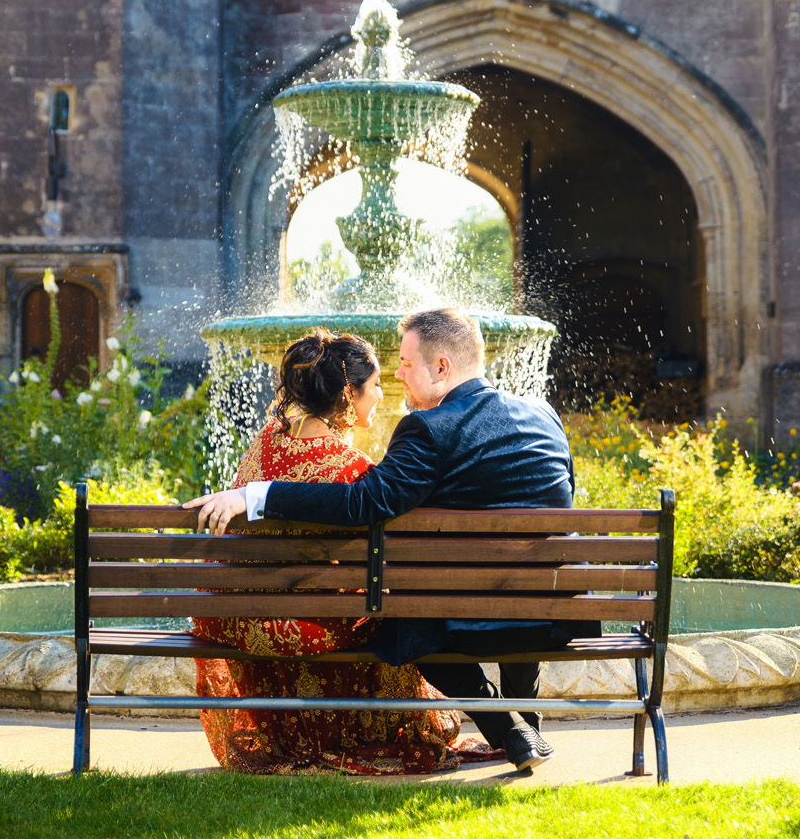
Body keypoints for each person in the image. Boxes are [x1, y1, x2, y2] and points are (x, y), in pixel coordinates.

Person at [186, 306, 592, 771]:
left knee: (406, 630)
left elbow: (363, 503)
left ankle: (509, 728)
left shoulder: (428, 429)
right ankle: (527, 725)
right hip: (554, 613)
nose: (397, 373)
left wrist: (258, 495)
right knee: (515, 596)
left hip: (464, 619)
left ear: (442, 368)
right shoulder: (545, 414)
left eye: (406, 363)